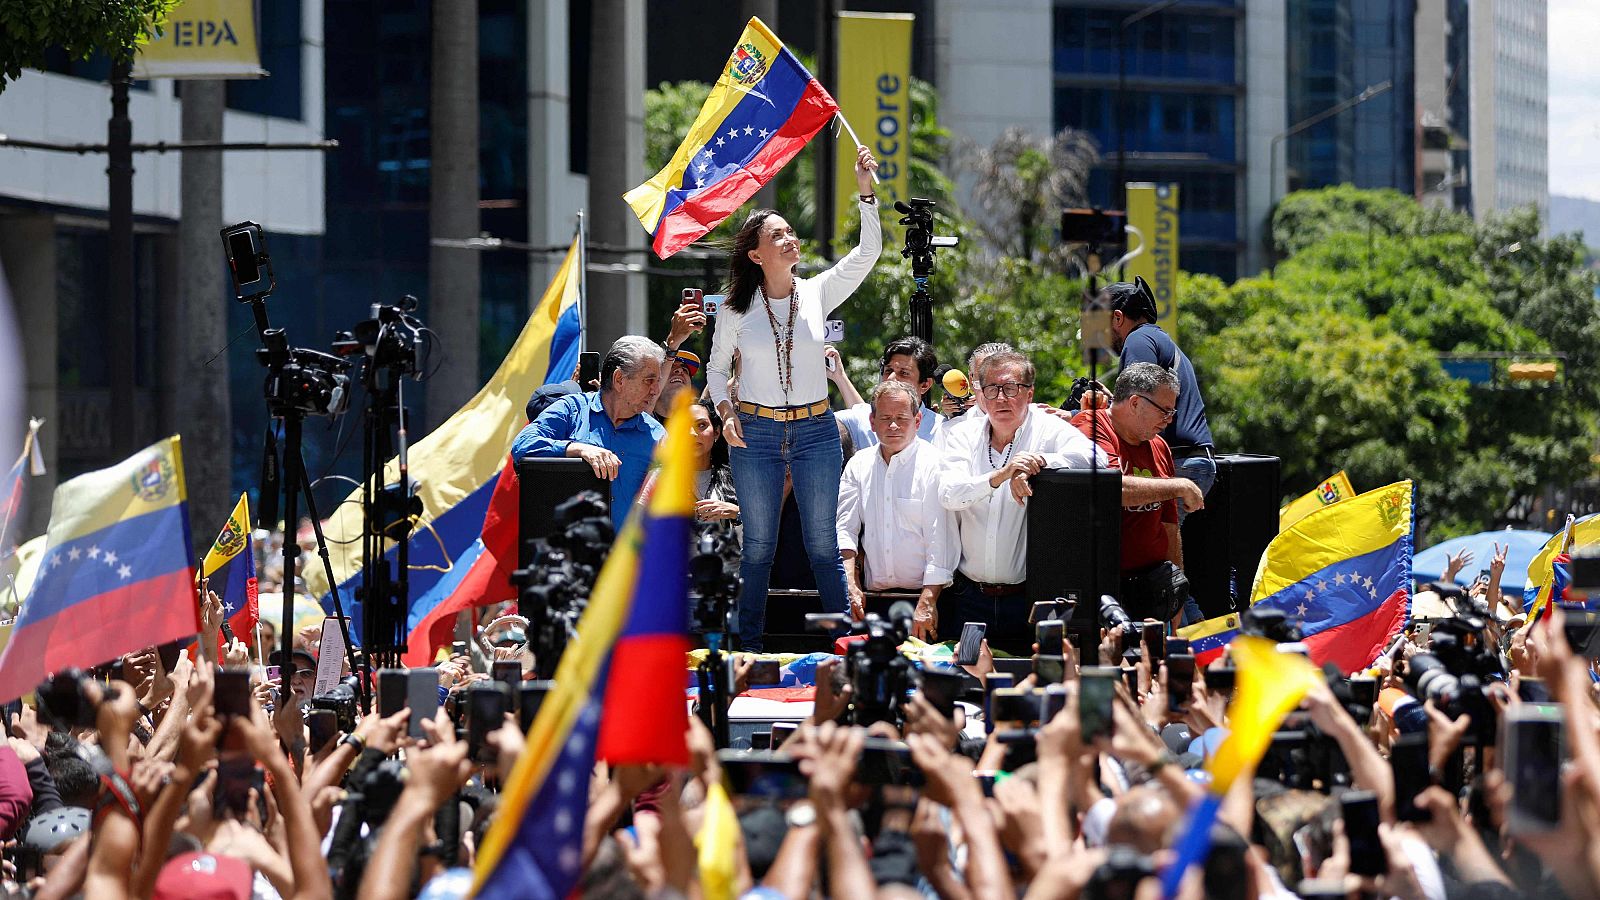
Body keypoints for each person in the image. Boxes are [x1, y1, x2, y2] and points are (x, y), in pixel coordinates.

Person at [706, 145, 881, 651]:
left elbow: (867, 254)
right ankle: (750, 650)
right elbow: (717, 371)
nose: (790, 239)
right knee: (758, 547)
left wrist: (864, 189)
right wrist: (724, 411)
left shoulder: (819, 290)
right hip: (755, 431)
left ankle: (842, 650)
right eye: (776, 234)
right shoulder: (736, 309)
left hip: (816, 429)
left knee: (823, 546)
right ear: (756, 255)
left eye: (790, 231)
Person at [938, 349, 1106, 651]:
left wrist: (1038, 462)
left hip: (1027, 599)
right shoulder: (962, 433)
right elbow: (950, 494)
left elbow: (1098, 459)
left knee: (1028, 689)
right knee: (967, 685)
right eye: (992, 388)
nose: (1001, 398)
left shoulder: (1048, 429)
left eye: (1011, 388)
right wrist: (1002, 475)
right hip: (968, 598)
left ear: (1029, 393)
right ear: (981, 394)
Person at [1071, 363, 1205, 624]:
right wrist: (1179, 485)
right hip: (1102, 592)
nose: (1169, 419)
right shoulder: (1090, 429)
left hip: (1152, 591)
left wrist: (1175, 601)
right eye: (1164, 411)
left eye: (1172, 411)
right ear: (1134, 402)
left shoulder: (1159, 446)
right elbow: (1111, 488)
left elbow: (1169, 527)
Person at [836, 381, 957, 635]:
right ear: (871, 421)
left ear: (918, 419)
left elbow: (941, 541)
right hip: (871, 598)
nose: (893, 425)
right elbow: (845, 528)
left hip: (925, 600)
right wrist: (850, 581)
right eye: (885, 417)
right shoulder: (859, 464)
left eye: (901, 417)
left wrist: (928, 601)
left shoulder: (936, 464)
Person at [512, 335, 666, 528]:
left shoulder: (657, 435)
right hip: (577, 552)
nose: (655, 390)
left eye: (658, 381)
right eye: (649, 381)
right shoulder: (572, 409)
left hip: (630, 556)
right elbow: (522, 445)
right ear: (619, 380)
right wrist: (577, 449)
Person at [1097, 279, 1216, 514]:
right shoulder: (1154, 338)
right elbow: (1140, 399)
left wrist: (1075, 416)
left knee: (1152, 543)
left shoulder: (1138, 339)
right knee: (1159, 541)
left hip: (1179, 462)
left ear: (1118, 318)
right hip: (1190, 460)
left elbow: (1138, 400)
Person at [835, 336, 943, 450]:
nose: (891, 378)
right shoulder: (860, 419)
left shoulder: (942, 430)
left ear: (925, 385)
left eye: (904, 373)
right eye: (888, 370)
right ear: (872, 421)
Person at [688, 400, 738, 523]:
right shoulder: (660, 478)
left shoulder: (738, 477)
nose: (692, 433)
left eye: (701, 425)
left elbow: (763, 523)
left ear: (716, 432)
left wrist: (736, 513)